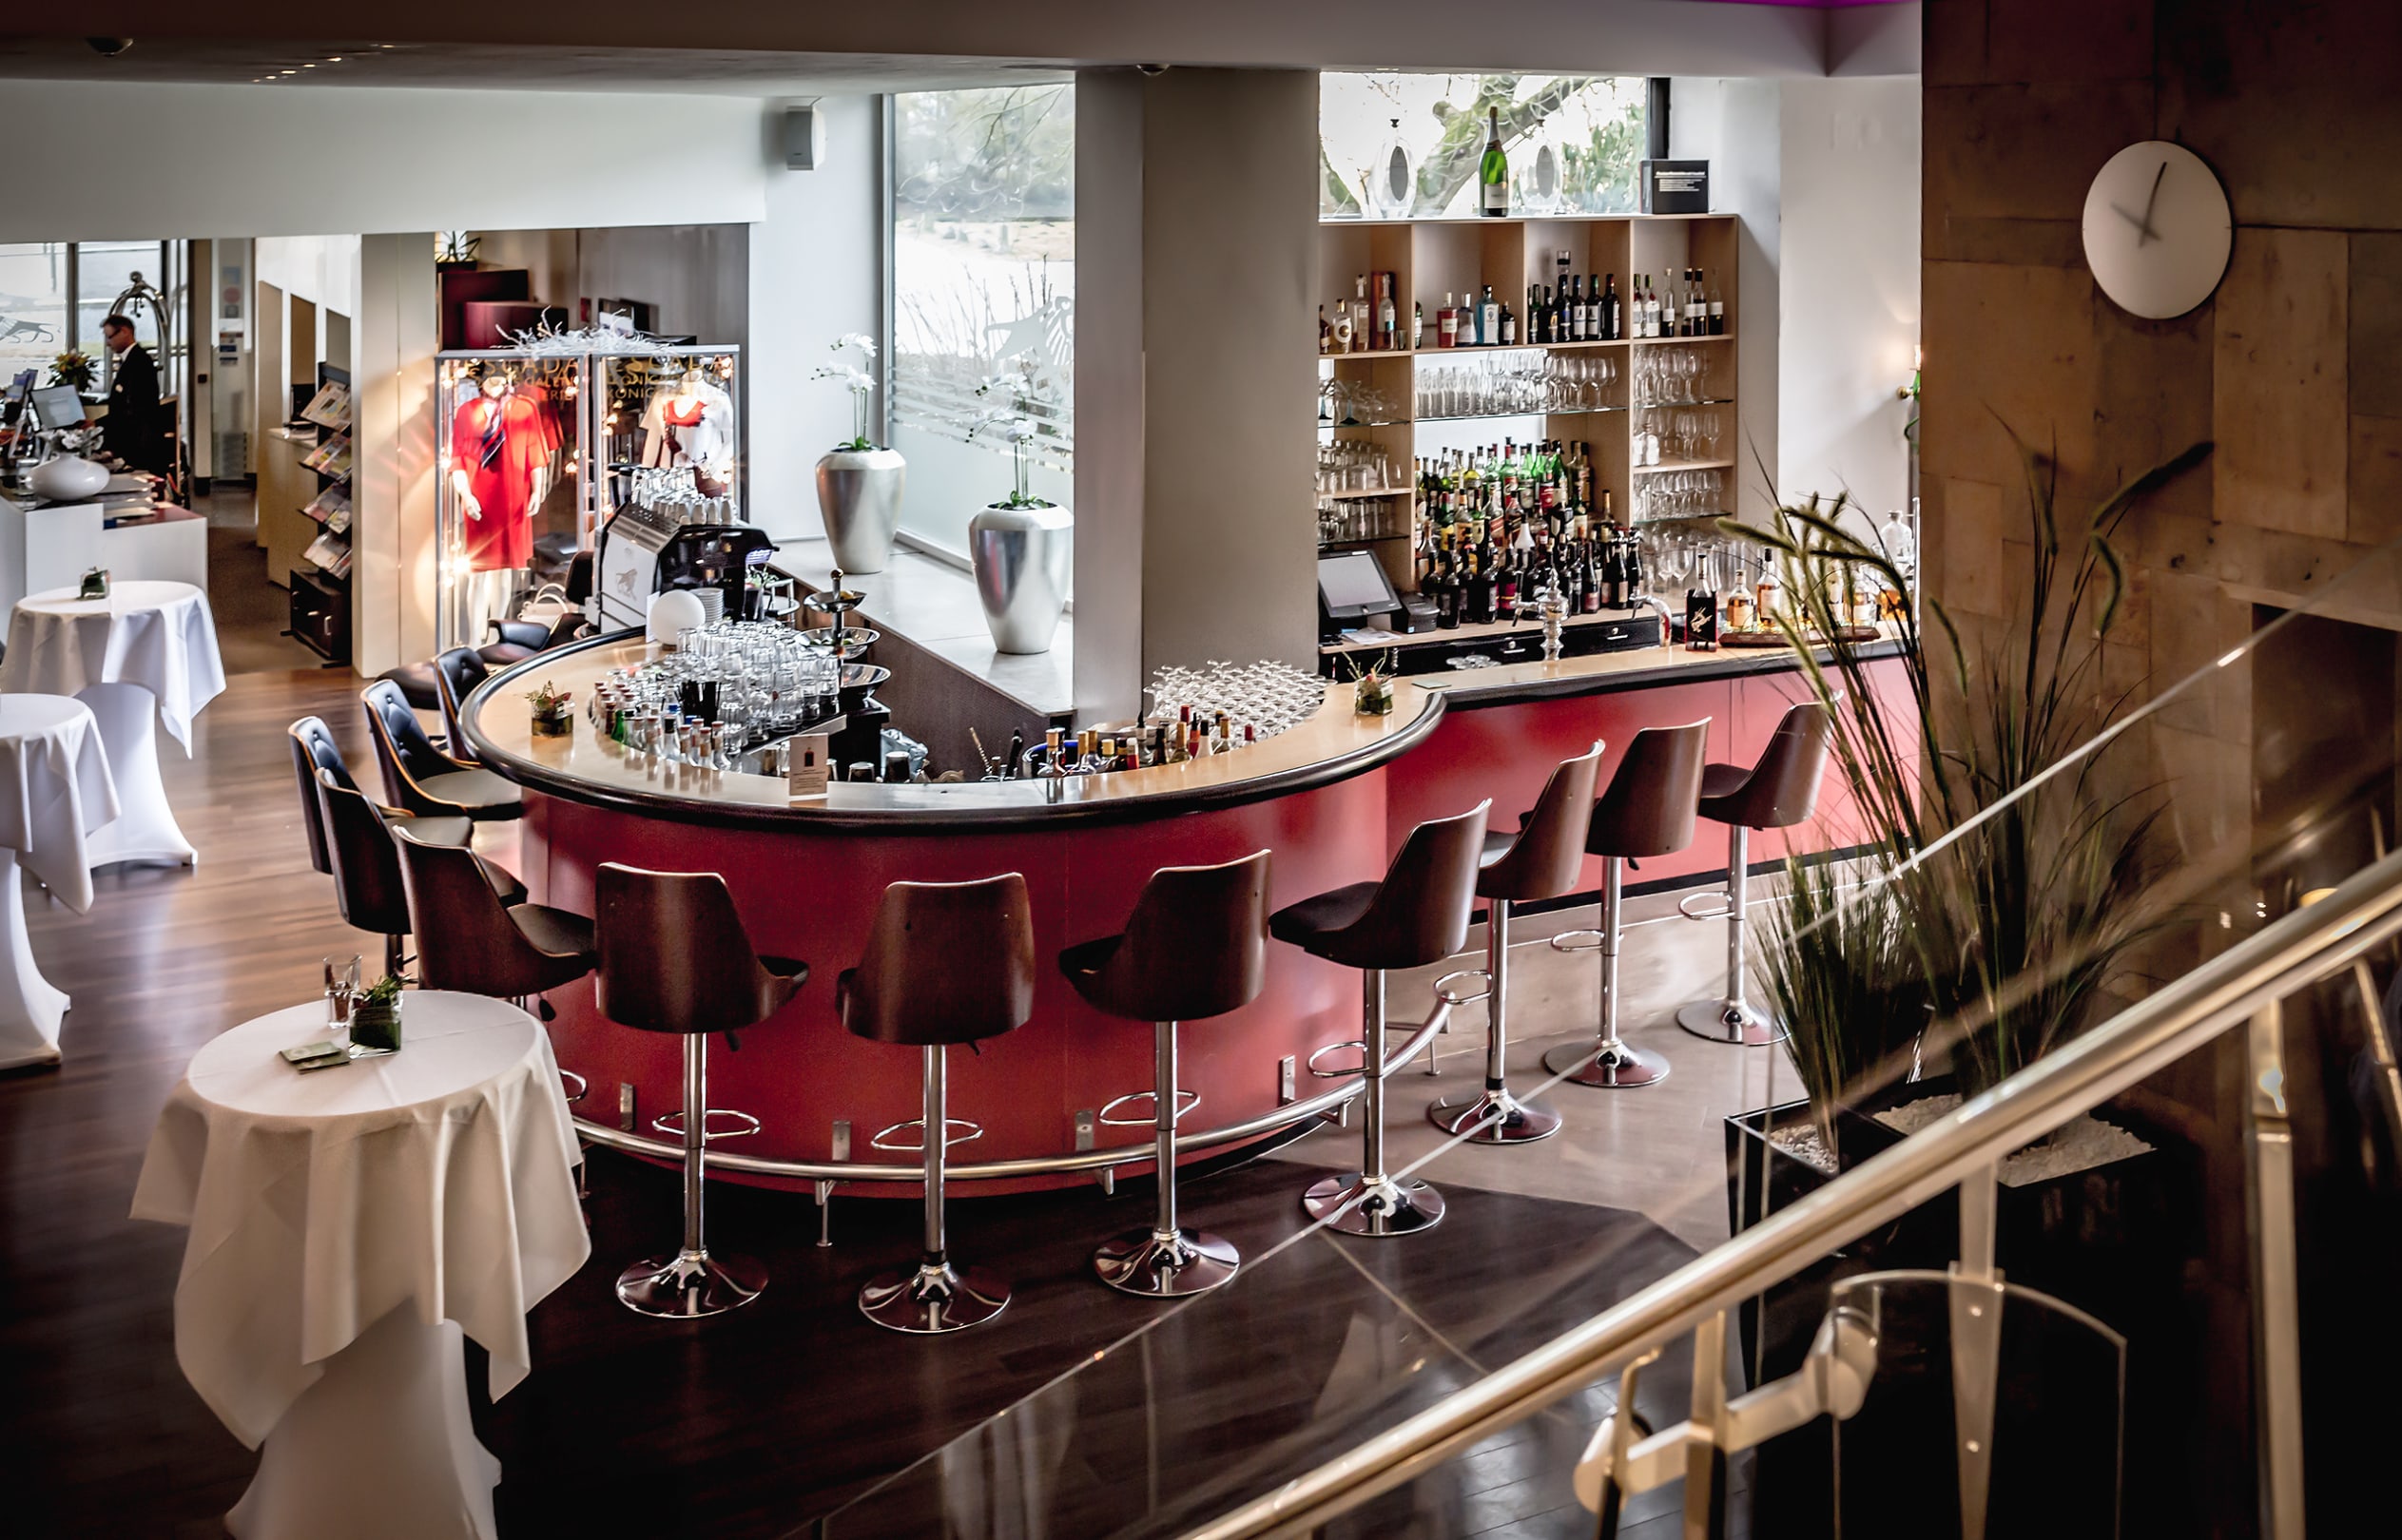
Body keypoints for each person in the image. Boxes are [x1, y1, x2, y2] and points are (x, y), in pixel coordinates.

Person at [99, 313, 172, 481]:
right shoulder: (131, 360)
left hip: (139, 443)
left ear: (124, 332)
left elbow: (132, 409)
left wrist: (99, 425)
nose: (108, 343)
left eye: (109, 337)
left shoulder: (139, 363)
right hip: (136, 440)